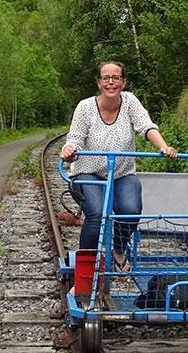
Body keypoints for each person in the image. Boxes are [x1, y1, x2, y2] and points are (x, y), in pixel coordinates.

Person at [60, 61, 177, 271]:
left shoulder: (130, 102)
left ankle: (119, 248)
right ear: (99, 82)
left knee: (130, 210)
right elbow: (74, 139)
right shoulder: (85, 107)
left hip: (122, 173)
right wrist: (69, 153)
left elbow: (146, 126)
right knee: (96, 214)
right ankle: (85, 270)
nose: (111, 82)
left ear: (123, 82)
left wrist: (163, 146)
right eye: (106, 78)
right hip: (88, 172)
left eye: (116, 78)